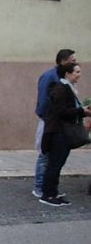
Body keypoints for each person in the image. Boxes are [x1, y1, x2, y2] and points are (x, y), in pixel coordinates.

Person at [40, 63, 91, 207]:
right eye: (76, 72)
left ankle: (53, 192)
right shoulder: (61, 89)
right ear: (67, 74)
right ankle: (48, 194)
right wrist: (82, 112)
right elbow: (61, 111)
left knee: (58, 164)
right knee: (54, 165)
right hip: (58, 132)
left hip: (62, 132)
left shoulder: (68, 88)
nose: (79, 74)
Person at [33, 48, 76, 198]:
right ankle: (39, 187)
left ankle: (49, 188)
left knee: (53, 157)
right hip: (48, 121)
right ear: (63, 62)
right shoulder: (50, 76)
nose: (75, 64)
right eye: (72, 61)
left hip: (58, 123)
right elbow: (44, 99)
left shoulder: (63, 77)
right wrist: (47, 118)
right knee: (44, 154)